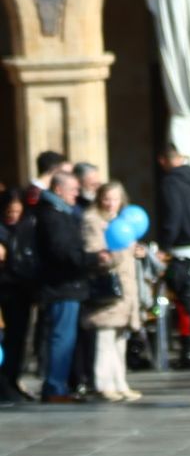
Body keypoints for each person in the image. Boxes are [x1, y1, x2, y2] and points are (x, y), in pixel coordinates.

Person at [35, 171, 100, 402]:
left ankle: (59, 385)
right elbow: (62, 252)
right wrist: (92, 258)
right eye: (73, 189)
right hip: (62, 286)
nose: (77, 194)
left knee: (66, 338)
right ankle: (54, 387)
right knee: (62, 338)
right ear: (58, 190)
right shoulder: (53, 215)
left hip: (69, 285)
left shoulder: (61, 212)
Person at [79, 181, 144, 402]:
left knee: (120, 338)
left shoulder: (123, 221)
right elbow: (98, 254)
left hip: (125, 289)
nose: (111, 203)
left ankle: (120, 383)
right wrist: (116, 253)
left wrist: (136, 251)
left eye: (115, 198)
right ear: (99, 199)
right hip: (108, 288)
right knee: (105, 337)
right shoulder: (93, 220)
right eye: (107, 198)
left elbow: (125, 247)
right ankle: (102, 383)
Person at [155, 145, 190, 366]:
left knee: (184, 302)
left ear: (163, 160)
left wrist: (165, 245)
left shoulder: (171, 182)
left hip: (182, 249)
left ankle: (189, 347)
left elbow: (173, 215)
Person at [0, 195, 38, 403]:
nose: (13, 216)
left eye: (17, 212)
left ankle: (12, 379)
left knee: (19, 339)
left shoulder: (26, 228)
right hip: (5, 289)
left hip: (21, 289)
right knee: (6, 340)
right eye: (9, 212)